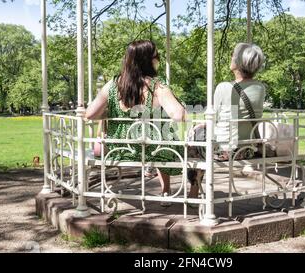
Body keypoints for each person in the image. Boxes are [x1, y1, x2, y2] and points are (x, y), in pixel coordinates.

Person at [85, 40, 186, 204]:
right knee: (165, 135)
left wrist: (111, 111)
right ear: (148, 60)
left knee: (161, 133)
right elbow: (178, 115)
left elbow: (90, 114)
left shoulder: (113, 84)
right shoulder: (157, 85)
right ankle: (166, 191)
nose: (158, 60)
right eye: (157, 56)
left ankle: (165, 190)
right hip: (153, 148)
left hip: (120, 148)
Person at [187, 42, 267, 198]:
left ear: (238, 62)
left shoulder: (224, 87)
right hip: (248, 149)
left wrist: (200, 126)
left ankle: (194, 187)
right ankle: (195, 185)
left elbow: (213, 118)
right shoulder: (260, 88)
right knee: (202, 137)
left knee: (194, 135)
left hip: (224, 150)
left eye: (233, 55)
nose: (231, 58)